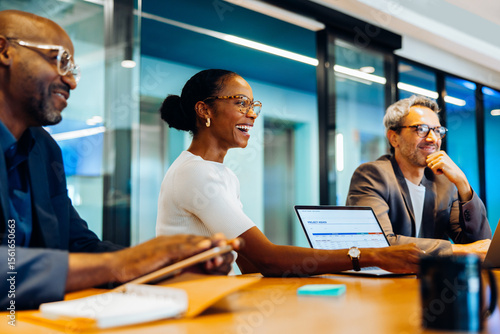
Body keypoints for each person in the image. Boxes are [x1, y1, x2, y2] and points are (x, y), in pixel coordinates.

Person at [0, 10, 235, 310]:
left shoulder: (44, 149)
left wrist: (163, 265)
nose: (71, 81)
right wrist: (120, 262)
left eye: (73, 68)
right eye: (58, 60)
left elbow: (78, 244)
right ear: (4, 50)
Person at [156, 69, 423, 277]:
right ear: (204, 110)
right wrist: (369, 256)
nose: (251, 114)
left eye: (253, 105)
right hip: (188, 303)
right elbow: (267, 258)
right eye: (240, 103)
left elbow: (249, 260)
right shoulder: (195, 173)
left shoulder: (223, 175)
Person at [346, 95, 491, 256]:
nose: (432, 138)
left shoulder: (444, 182)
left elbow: (481, 244)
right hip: (385, 279)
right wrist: (456, 249)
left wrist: (463, 183)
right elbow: (379, 244)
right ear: (394, 138)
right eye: (421, 129)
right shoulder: (372, 175)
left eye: (437, 130)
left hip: (430, 279)